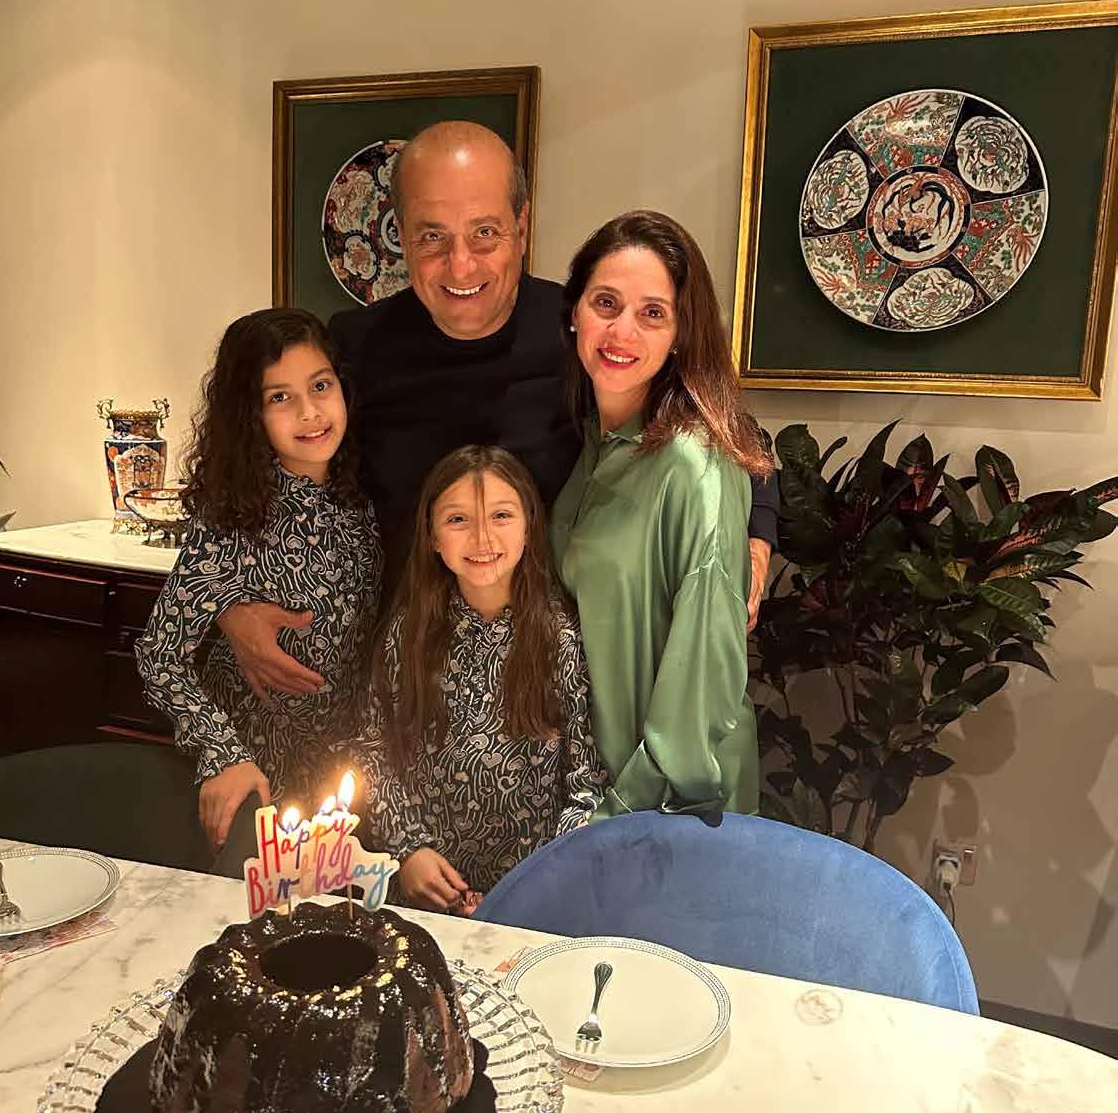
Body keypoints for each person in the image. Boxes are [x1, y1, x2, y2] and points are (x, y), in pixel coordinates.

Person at [216, 122, 778, 697]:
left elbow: (728, 432)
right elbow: (248, 463)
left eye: (484, 233)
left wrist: (755, 541)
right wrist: (226, 603)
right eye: (432, 237)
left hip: (548, 681)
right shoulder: (356, 344)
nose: (461, 266)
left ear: (522, 225)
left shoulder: (581, 332)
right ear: (400, 235)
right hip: (399, 677)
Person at [550, 210, 774, 819]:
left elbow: (703, 688)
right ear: (574, 312)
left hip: (667, 805)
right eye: (606, 303)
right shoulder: (592, 443)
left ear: (680, 333)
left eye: (653, 313)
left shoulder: (694, 465)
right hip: (593, 785)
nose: (622, 331)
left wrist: (621, 814)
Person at [136, 309, 381, 856]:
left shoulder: (359, 500)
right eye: (280, 397)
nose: (310, 411)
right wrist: (223, 754)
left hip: (343, 784)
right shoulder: (233, 518)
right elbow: (159, 655)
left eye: (320, 386)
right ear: (250, 414)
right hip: (257, 785)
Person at [354, 443, 606, 912]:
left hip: (532, 899)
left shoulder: (561, 639)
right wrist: (409, 850)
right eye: (458, 520)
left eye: (501, 516)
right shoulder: (408, 634)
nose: (482, 537)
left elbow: (587, 783)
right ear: (432, 535)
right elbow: (373, 749)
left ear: (530, 525)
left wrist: (537, 884)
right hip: (427, 893)